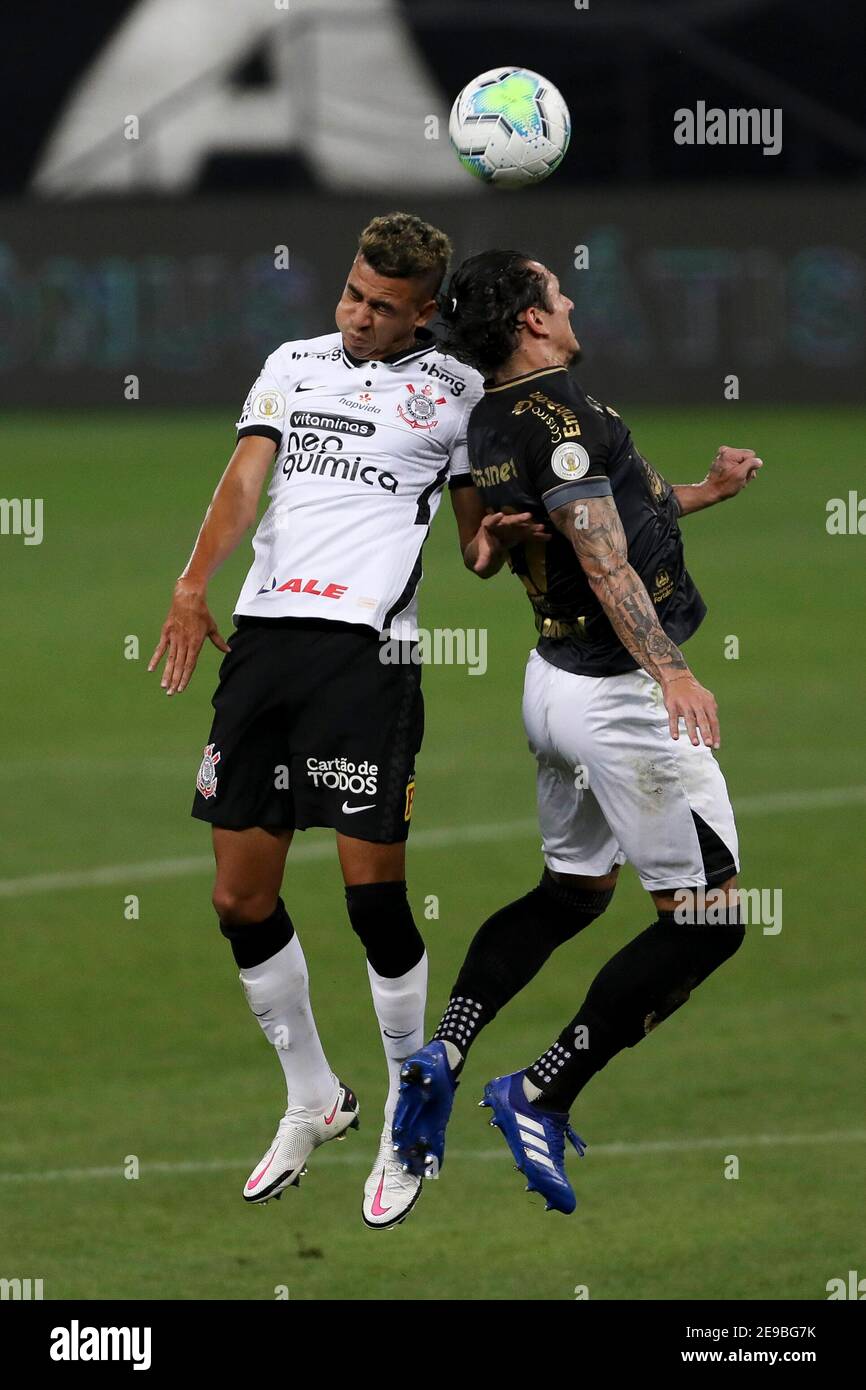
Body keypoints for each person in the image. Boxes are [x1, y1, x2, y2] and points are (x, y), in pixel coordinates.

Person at [148, 214, 526, 1230]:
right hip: (268, 645)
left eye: (382, 306)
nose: (358, 316)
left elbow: (471, 544)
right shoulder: (293, 362)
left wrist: (497, 541)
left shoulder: (456, 392)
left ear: (423, 314)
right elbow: (244, 479)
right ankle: (315, 1096)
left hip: (370, 655)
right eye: (352, 293)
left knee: (371, 898)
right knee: (238, 896)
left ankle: (410, 1099)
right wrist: (194, 583)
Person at [393, 250, 763, 1214]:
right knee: (713, 921)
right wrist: (672, 669)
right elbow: (605, 559)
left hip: (551, 685)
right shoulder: (567, 422)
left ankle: (448, 1043)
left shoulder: (488, 419)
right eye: (555, 290)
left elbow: (500, 546)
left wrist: (705, 495)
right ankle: (541, 1090)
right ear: (529, 321)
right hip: (620, 701)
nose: (570, 299)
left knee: (573, 893)